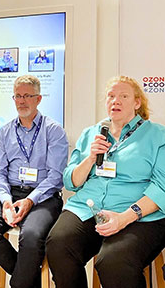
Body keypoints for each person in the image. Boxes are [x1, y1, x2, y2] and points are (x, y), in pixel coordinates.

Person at [46, 76, 165, 288]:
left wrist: (125, 218)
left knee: (113, 261)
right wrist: (90, 158)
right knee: (58, 245)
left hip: (136, 214)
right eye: (111, 96)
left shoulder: (157, 135)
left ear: (137, 103)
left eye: (123, 96)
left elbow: (161, 188)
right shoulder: (92, 133)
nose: (115, 101)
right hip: (87, 208)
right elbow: (71, 181)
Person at [0, 75, 68, 288]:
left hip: (43, 196)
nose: (21, 101)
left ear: (39, 99)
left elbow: (56, 176)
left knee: (32, 236)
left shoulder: (53, 130)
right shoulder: (6, 131)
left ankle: (20, 282)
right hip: (10, 192)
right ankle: (28, 278)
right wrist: (6, 201)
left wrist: (30, 201)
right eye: (18, 96)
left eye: (27, 96)